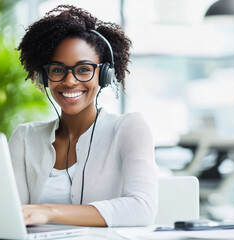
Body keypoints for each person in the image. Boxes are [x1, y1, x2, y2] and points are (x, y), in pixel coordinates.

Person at [9, 4, 159, 227]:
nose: (70, 81)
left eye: (83, 69)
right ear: (44, 76)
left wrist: (48, 211)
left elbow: (142, 208)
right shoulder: (25, 137)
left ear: (104, 74)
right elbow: (11, 213)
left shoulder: (128, 128)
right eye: (58, 70)